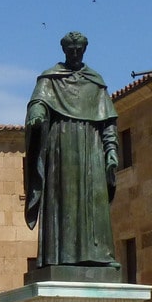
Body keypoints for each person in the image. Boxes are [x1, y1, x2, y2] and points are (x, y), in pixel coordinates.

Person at [25, 32, 119, 270]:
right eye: (71, 50)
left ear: (85, 50)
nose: (76, 53)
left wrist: (111, 150)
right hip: (62, 145)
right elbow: (39, 101)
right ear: (64, 51)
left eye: (79, 50)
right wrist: (37, 113)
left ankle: (99, 255)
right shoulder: (50, 79)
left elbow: (107, 122)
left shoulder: (95, 82)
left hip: (92, 148)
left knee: (93, 200)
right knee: (63, 199)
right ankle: (58, 257)